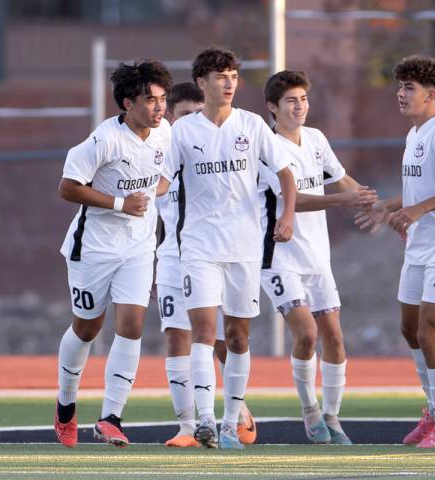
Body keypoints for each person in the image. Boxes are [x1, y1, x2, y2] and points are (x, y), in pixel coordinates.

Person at [161, 47, 297, 449]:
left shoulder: (253, 126)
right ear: (202, 83)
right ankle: (204, 419)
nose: (229, 83)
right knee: (202, 332)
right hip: (198, 246)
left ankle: (229, 421)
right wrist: (133, 197)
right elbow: (163, 181)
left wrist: (286, 216)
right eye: (221, 76)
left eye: (234, 76)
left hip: (244, 247)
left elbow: (285, 176)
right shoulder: (183, 132)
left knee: (237, 338)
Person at [355, 55, 435, 448]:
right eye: (400, 86)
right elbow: (417, 194)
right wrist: (388, 207)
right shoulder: (414, 136)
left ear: (431, 94)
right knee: (409, 330)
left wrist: (417, 210)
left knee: (429, 332)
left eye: (409, 88)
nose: (401, 94)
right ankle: (433, 409)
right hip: (419, 248)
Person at [53, 59, 173, 448]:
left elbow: (167, 174)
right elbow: (68, 188)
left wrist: (152, 194)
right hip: (93, 249)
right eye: (150, 100)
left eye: (162, 99)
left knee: (132, 326)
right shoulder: (103, 140)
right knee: (87, 328)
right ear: (127, 103)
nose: (159, 107)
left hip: (138, 247)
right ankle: (66, 405)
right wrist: (121, 204)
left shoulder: (164, 133)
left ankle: (110, 417)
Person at [258, 70, 377, 445]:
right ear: (272, 108)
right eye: (292, 100)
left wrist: (380, 209)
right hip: (278, 256)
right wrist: (342, 200)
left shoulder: (316, 139)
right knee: (306, 334)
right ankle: (310, 409)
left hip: (317, 258)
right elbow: (292, 200)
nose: (300, 106)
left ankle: (332, 415)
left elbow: (342, 180)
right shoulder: (267, 147)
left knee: (335, 339)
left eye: (304, 99)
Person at [157, 82, 256, 447]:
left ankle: (236, 408)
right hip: (171, 256)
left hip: (214, 250)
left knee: (221, 339)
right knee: (177, 337)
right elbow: (154, 215)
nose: (190, 121)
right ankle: (190, 427)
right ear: (171, 117)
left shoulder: (222, 151)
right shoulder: (161, 151)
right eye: (183, 114)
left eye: (196, 114)